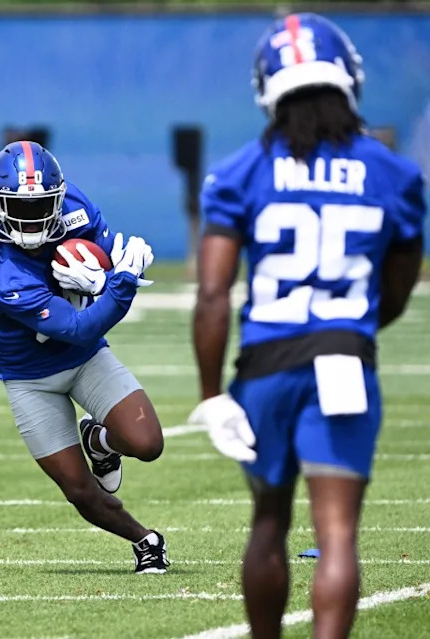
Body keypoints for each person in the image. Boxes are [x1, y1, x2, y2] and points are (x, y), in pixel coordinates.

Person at [189, 13, 425, 638]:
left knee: (269, 520)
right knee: (337, 533)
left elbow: (213, 294)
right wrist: (355, 328)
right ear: (349, 79)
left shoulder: (242, 170)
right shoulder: (392, 172)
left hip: (265, 364)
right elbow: (398, 284)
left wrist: (212, 395)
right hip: (345, 358)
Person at [0, 140, 170, 574]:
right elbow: (80, 325)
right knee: (79, 489)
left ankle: (99, 440)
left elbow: (104, 253)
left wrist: (102, 276)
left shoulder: (76, 207)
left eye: (40, 207)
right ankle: (145, 540)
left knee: (148, 443)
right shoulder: (4, 275)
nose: (29, 221)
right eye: (18, 208)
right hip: (30, 377)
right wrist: (119, 284)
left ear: (58, 197)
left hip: (84, 359)